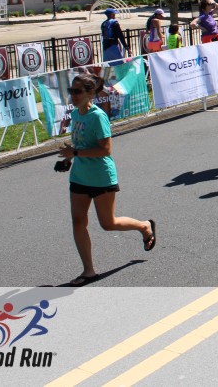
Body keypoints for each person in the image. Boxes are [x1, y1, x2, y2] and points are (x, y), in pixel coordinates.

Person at [55, 73, 155, 287]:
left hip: (101, 177)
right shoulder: (76, 114)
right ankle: (88, 270)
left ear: (90, 93)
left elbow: (105, 149)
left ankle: (144, 226)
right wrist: (68, 159)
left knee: (108, 223)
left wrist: (75, 153)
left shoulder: (98, 116)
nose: (73, 95)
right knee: (78, 221)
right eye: (71, 91)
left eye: (77, 91)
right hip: (79, 176)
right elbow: (79, 143)